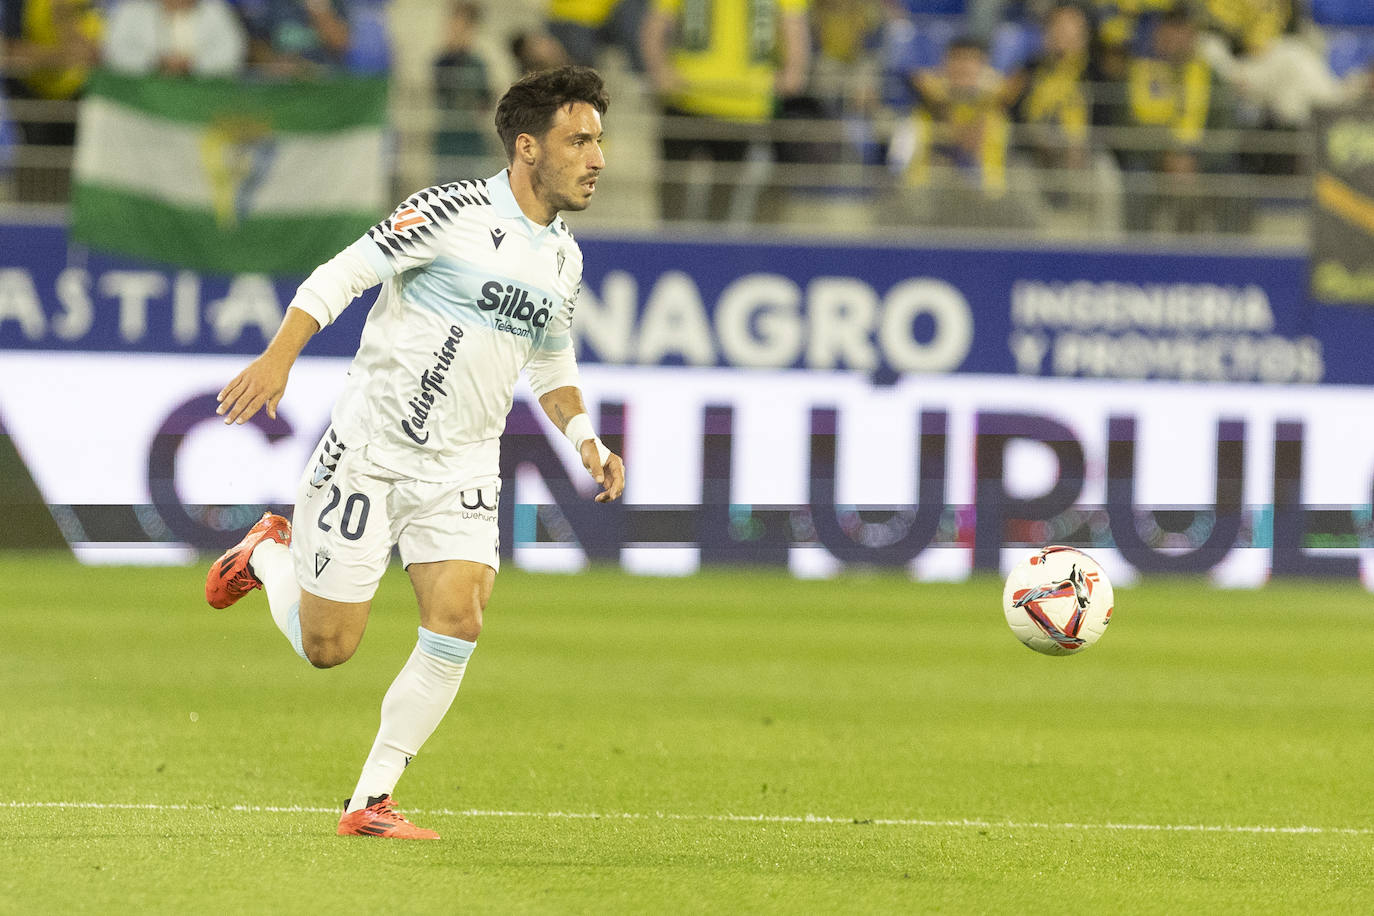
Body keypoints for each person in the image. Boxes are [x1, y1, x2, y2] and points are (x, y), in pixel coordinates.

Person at [203, 65, 625, 840]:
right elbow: (347, 271)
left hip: (463, 466)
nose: (597, 158)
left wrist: (584, 438)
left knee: (459, 618)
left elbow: (550, 359)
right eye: (579, 140)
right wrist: (278, 357)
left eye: (599, 140)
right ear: (527, 147)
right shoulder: (451, 210)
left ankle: (370, 799)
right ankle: (267, 553)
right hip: (370, 452)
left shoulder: (564, 259)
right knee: (330, 648)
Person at [640, 0, 811, 223]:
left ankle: (698, 254)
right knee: (676, 207)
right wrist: (660, 69)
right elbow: (654, 27)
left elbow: (794, 29)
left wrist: (794, 70)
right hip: (689, 101)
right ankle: (677, 253)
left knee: (717, 212)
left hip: (741, 109)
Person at [1, 0, 102, 201]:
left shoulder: (92, 6)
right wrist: (61, 56)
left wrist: (64, 22)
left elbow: (97, 54)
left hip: (83, 98)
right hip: (31, 98)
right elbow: (9, 52)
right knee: (38, 182)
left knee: (80, 182)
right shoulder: (19, 5)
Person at [102, 0, 247, 77]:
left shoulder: (216, 12)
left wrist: (192, 65)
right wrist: (156, 62)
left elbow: (233, 53)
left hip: (201, 96)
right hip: (142, 98)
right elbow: (115, 51)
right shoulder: (132, 10)